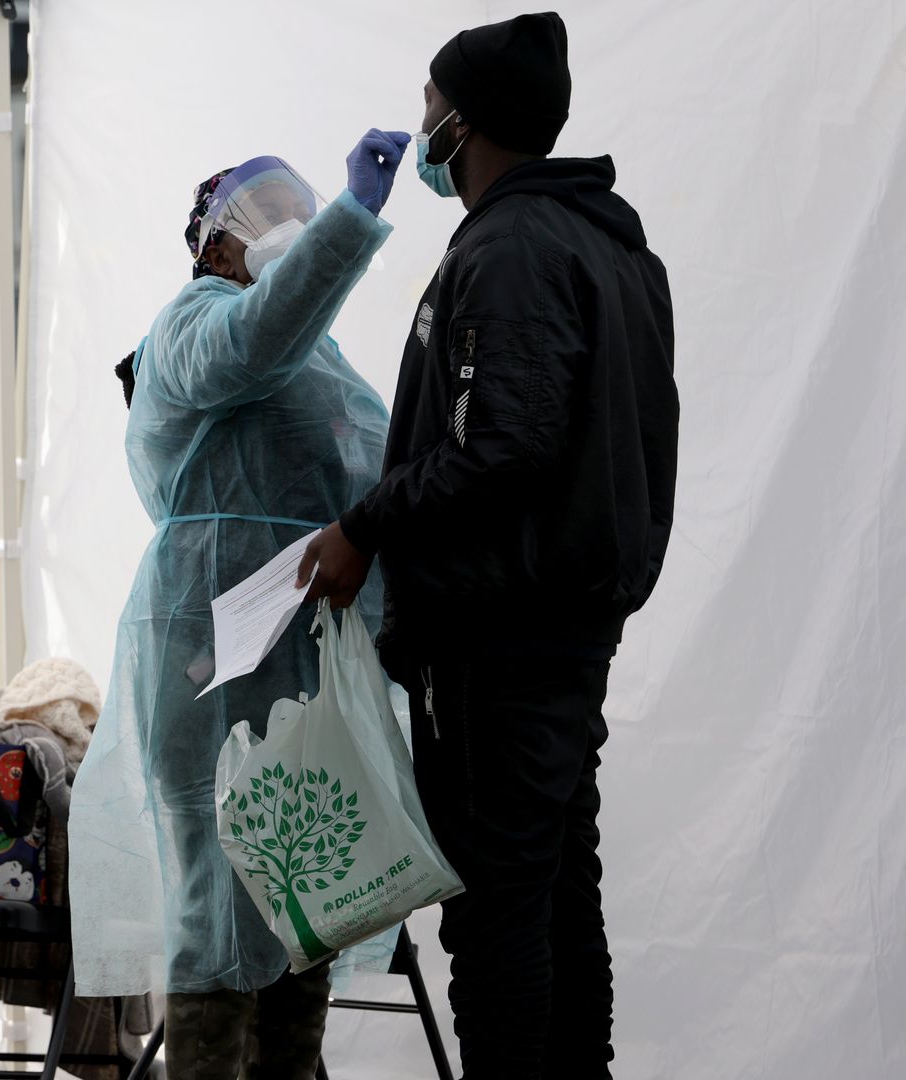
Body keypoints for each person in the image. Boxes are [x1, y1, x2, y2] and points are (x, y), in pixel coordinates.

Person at [298, 13, 679, 1079]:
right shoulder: (609, 246)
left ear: (463, 121)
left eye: (429, 100)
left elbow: (503, 445)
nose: (419, 120)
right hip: (562, 629)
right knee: (556, 886)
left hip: (499, 638)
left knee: (500, 911)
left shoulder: (512, 246)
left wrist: (362, 526)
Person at [70, 132, 410, 1080]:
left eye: (300, 212)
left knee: (302, 893)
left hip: (294, 650)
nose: (287, 232)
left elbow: (371, 464)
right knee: (219, 899)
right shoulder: (194, 321)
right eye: (263, 219)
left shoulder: (316, 353)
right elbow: (249, 347)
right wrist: (349, 222)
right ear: (213, 247)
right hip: (208, 650)